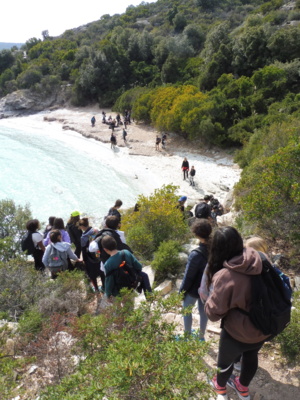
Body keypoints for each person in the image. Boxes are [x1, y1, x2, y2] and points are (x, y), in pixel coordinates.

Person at [205, 227, 270, 400]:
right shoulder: (260, 259)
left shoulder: (225, 275)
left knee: (225, 362)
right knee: (251, 356)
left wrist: (207, 298)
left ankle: (220, 388)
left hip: (237, 331)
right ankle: (242, 388)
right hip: (263, 326)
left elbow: (213, 314)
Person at [179, 219, 212, 340]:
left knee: (187, 311)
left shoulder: (195, 254)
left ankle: (187, 337)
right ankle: (201, 337)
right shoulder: (214, 249)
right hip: (207, 287)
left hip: (193, 289)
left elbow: (188, 276)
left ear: (196, 234)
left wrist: (181, 292)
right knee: (203, 312)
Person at [78, 217, 102, 292]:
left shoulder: (84, 237)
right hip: (99, 254)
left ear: (82, 226)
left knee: (92, 274)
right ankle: (104, 287)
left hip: (90, 258)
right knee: (101, 271)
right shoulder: (96, 230)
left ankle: (96, 289)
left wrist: (84, 260)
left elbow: (83, 250)